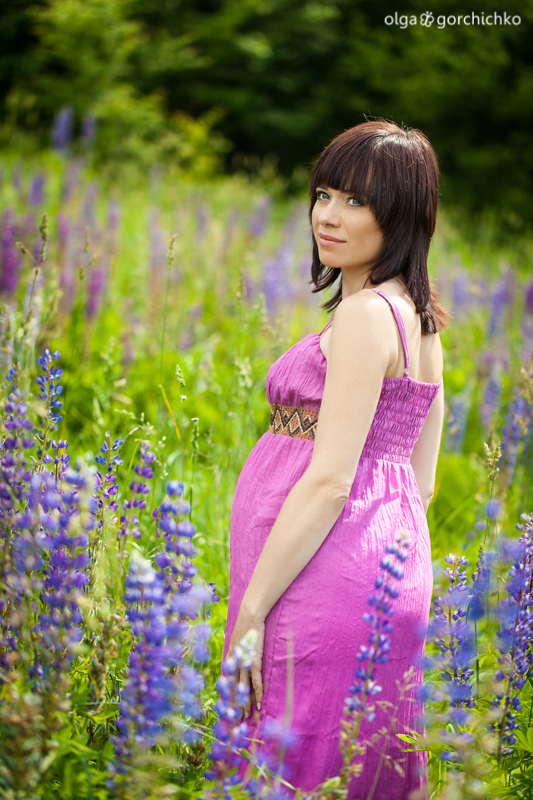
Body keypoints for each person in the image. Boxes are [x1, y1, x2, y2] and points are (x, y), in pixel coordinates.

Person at [223, 119, 452, 798]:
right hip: (383, 573)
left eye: (356, 202)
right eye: (324, 194)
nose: (328, 215)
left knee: (290, 765)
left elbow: (328, 481)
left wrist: (252, 610)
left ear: (401, 216)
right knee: (356, 764)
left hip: (321, 574)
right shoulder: (422, 321)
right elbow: (422, 483)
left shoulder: (363, 317)